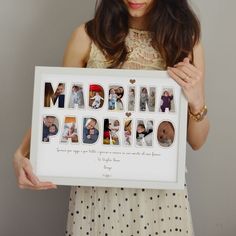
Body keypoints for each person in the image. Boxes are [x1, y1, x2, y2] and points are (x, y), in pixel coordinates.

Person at [13, 0, 210, 235]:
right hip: (98, 194)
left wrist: (197, 102)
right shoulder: (87, 37)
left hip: (161, 195)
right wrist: (21, 153)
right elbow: (57, 110)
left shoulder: (186, 41)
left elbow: (197, 142)